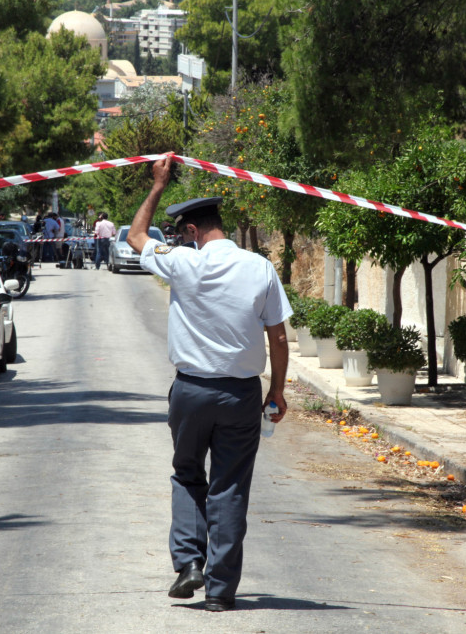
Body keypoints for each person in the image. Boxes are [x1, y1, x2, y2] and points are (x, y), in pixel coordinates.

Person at [126, 154, 292, 612]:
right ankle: (220, 592)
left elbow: (136, 235)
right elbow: (278, 336)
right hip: (241, 394)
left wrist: (158, 185)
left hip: (191, 392)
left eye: (183, 232)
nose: (181, 239)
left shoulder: (182, 262)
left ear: (193, 231)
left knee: (187, 473)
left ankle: (189, 563)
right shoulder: (259, 267)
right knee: (230, 487)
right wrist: (276, 390)